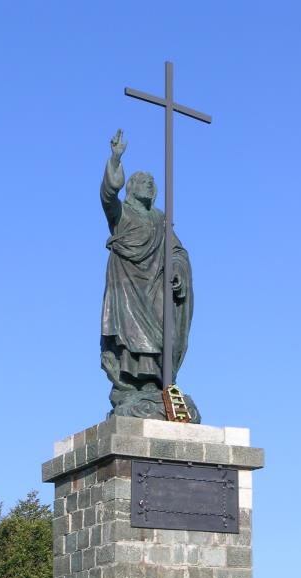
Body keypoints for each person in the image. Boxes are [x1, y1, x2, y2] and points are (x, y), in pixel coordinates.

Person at [100, 129, 198, 419]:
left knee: (161, 337)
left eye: (151, 182)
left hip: (156, 286)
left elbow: (178, 252)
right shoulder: (122, 214)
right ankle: (131, 389)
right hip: (128, 287)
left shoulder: (160, 220)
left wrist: (178, 270)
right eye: (142, 180)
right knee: (130, 339)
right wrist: (116, 160)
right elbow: (107, 197)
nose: (148, 183)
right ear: (131, 187)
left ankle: (159, 387)